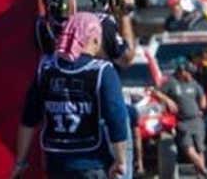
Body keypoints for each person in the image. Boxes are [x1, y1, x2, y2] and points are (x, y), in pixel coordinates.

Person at [12, 12, 130, 179]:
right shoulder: (102, 71)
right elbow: (116, 118)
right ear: (95, 39)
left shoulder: (46, 68)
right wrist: (120, 161)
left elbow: (28, 119)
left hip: (56, 165)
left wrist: (20, 161)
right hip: (92, 163)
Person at [152, 59, 207, 176]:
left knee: (200, 148)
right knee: (188, 147)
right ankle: (204, 170)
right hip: (183, 121)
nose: (190, 75)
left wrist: (201, 107)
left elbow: (202, 95)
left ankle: (201, 174)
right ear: (182, 72)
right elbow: (155, 92)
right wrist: (167, 100)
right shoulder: (171, 83)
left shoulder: (194, 83)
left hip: (196, 120)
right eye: (188, 73)